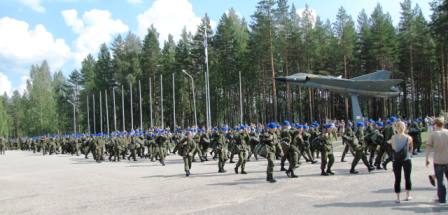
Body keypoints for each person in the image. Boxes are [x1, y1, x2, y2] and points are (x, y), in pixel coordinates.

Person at [425, 117, 448, 204]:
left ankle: (442, 199)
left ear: (435, 125)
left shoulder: (433, 134)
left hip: (438, 161)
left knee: (440, 180)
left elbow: (428, 148)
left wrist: (426, 159)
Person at [389, 121, 413, 203]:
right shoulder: (408, 137)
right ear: (404, 127)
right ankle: (408, 195)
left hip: (396, 160)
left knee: (397, 178)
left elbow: (394, 148)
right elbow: (410, 149)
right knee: (407, 177)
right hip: (406, 159)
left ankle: (398, 197)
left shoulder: (393, 137)